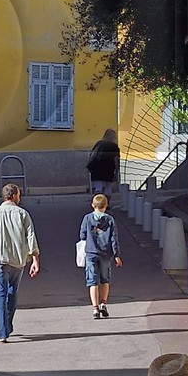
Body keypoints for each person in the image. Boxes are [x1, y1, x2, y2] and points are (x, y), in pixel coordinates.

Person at [0, 181, 40, 341]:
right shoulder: (23, 214)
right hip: (18, 261)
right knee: (13, 293)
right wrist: (35, 259)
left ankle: (3, 330)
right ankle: (7, 325)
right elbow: (31, 237)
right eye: (19, 194)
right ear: (13, 195)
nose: (20, 197)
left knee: (1, 292)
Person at [79, 192, 122, 320]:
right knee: (105, 279)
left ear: (93, 205)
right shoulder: (110, 219)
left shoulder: (87, 218)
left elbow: (82, 235)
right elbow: (114, 238)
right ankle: (103, 302)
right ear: (106, 205)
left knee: (92, 281)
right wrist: (116, 255)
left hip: (91, 252)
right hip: (105, 253)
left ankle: (95, 308)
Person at [85, 127, 122, 193]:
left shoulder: (99, 143)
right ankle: (106, 202)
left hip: (97, 167)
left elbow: (92, 155)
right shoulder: (114, 146)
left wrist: (90, 164)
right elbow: (116, 159)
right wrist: (117, 169)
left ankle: (97, 201)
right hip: (109, 169)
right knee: (108, 186)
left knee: (98, 186)